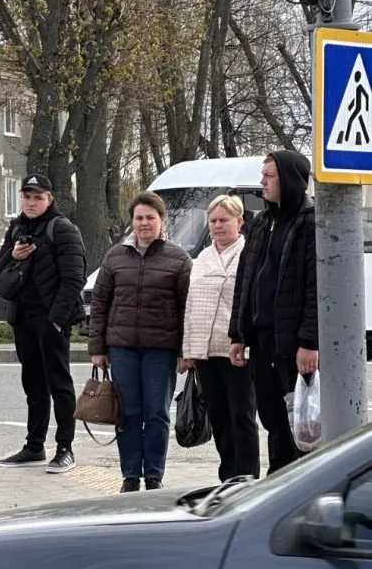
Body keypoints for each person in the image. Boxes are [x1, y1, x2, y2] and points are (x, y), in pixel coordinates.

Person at [89, 191, 191, 492]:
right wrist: (97, 349)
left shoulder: (178, 258)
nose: (144, 223)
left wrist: (185, 351)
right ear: (132, 221)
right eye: (139, 218)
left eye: (150, 218)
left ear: (162, 221)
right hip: (122, 349)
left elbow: (187, 308)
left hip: (161, 350)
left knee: (156, 413)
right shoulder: (115, 256)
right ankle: (131, 475)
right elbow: (100, 304)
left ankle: (154, 475)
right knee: (128, 413)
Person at [229, 150, 318, 474]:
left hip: (292, 345)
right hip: (262, 341)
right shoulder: (262, 223)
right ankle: (279, 481)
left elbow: (316, 286)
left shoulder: (310, 223)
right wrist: (238, 334)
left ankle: (301, 485)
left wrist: (309, 341)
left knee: (301, 425)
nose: (262, 182)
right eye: (262, 175)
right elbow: (245, 280)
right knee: (273, 420)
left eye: (269, 176)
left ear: (289, 179)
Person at [0, 174, 87, 473]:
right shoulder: (17, 228)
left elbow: (74, 279)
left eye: (38, 197)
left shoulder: (63, 228)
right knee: (33, 385)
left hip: (51, 320)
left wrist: (57, 321)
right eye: (27, 197)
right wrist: (13, 254)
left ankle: (65, 448)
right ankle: (34, 446)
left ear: (50, 200)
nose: (31, 203)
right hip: (22, 318)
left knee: (59, 384)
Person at [180, 195, 259, 482]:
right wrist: (188, 350)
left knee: (242, 416)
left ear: (239, 221)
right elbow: (190, 305)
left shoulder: (249, 254)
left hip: (237, 351)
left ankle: (247, 476)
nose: (217, 225)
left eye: (224, 220)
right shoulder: (202, 258)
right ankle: (227, 476)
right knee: (219, 417)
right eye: (213, 220)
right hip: (205, 352)